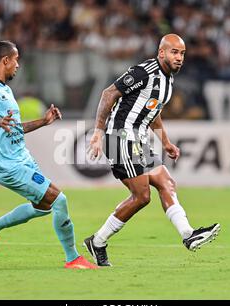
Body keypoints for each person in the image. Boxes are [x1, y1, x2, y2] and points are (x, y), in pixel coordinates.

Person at [85, 34, 220, 267]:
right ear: (161, 53)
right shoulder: (144, 72)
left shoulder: (168, 81)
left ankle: (188, 234)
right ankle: (97, 241)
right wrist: (98, 132)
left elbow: (153, 112)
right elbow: (109, 94)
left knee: (166, 183)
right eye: (174, 52)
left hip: (139, 139)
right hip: (121, 136)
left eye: (182, 54)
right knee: (142, 196)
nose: (179, 58)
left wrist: (166, 142)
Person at [0, 40, 97, 270]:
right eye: (16, 60)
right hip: (7, 164)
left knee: (43, 207)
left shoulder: (5, 90)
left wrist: (44, 121)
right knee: (59, 200)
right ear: (5, 60)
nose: (18, 65)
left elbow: (15, 127)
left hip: (22, 158)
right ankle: (73, 258)